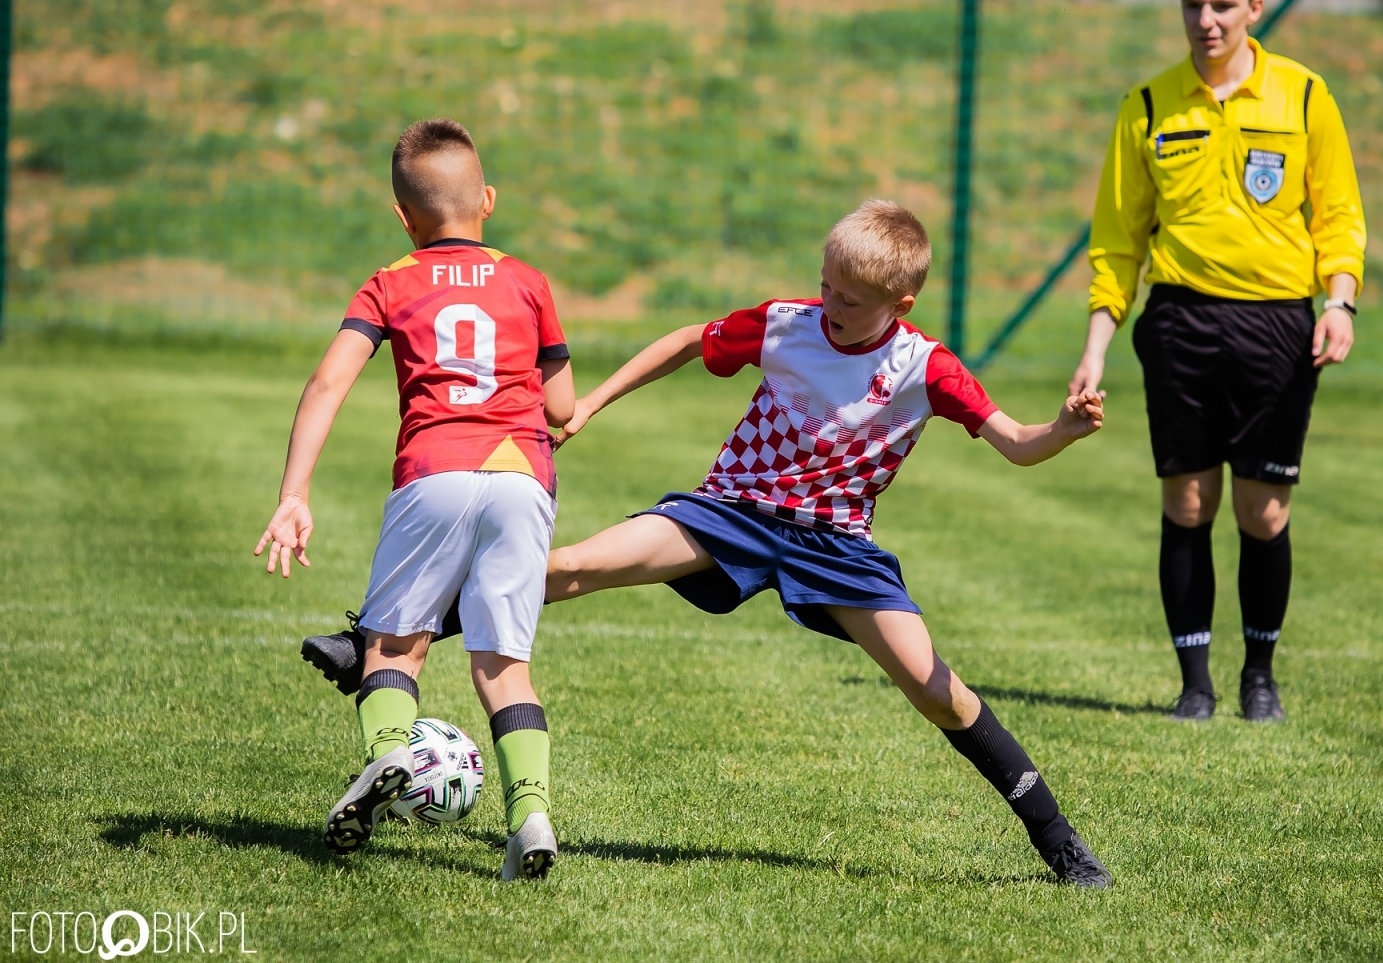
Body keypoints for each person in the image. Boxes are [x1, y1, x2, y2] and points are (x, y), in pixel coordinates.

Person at [302, 199, 1115, 885]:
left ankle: (1058, 839)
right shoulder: (788, 325)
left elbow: (1014, 441)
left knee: (937, 689)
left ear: (900, 304)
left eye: (850, 300)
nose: (828, 306)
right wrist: (593, 403)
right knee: (575, 567)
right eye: (825, 285)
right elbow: (692, 339)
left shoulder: (924, 367)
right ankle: (365, 640)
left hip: (836, 545)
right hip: (731, 512)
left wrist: (1065, 430)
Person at [254, 118, 575, 880]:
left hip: (433, 469)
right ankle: (530, 817)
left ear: (403, 217)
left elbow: (328, 380)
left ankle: (388, 755)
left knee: (392, 646)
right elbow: (561, 405)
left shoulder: (390, 281)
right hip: (522, 477)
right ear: (488, 199)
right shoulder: (528, 281)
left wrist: (294, 492)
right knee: (504, 667)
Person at [1069, 0, 1366, 723]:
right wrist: (1095, 350)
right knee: (1188, 504)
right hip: (1180, 323)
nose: (1207, 19)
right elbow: (1117, 243)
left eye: (1223, 4)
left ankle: (1259, 676)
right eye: (1194, 4)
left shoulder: (1305, 97)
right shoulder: (1147, 106)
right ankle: (1195, 684)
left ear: (1255, 8)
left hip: (1277, 324)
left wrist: (1338, 302)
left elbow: (1339, 217)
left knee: (1263, 511)